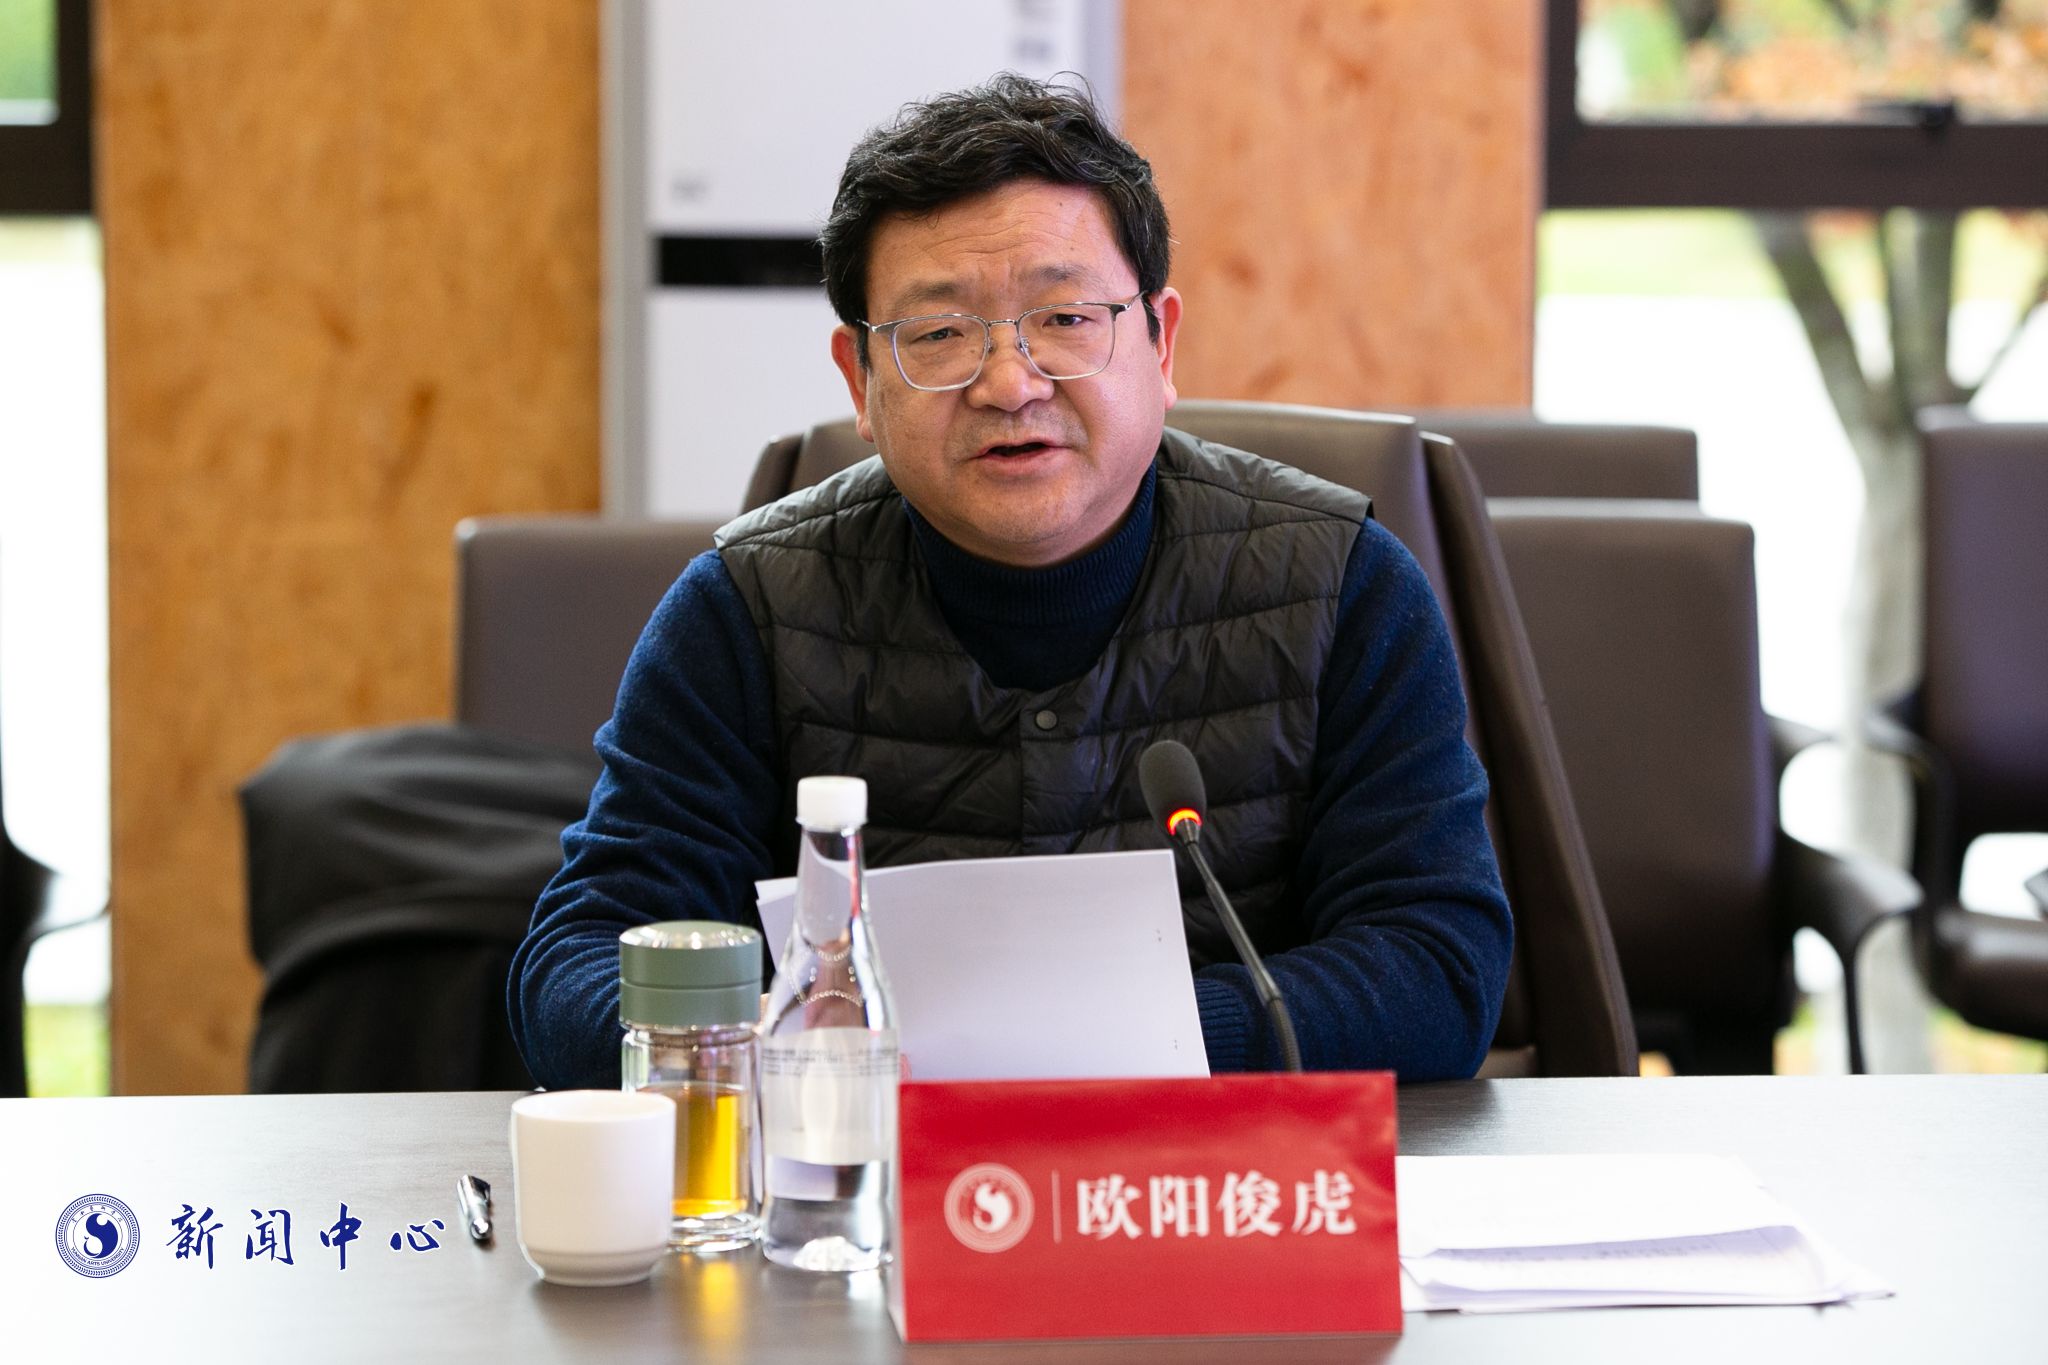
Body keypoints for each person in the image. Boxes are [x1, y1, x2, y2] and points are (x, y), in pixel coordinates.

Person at [508, 75, 1510, 1088]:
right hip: (859, 1168)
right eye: (939, 334)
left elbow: (1439, 967)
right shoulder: (743, 610)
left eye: (1064, 317)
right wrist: (789, 1057)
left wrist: (1132, 1044)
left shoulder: (1342, 586)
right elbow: (574, 966)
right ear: (860, 382)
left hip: (1222, 1168)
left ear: (1160, 342)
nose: (1008, 383)